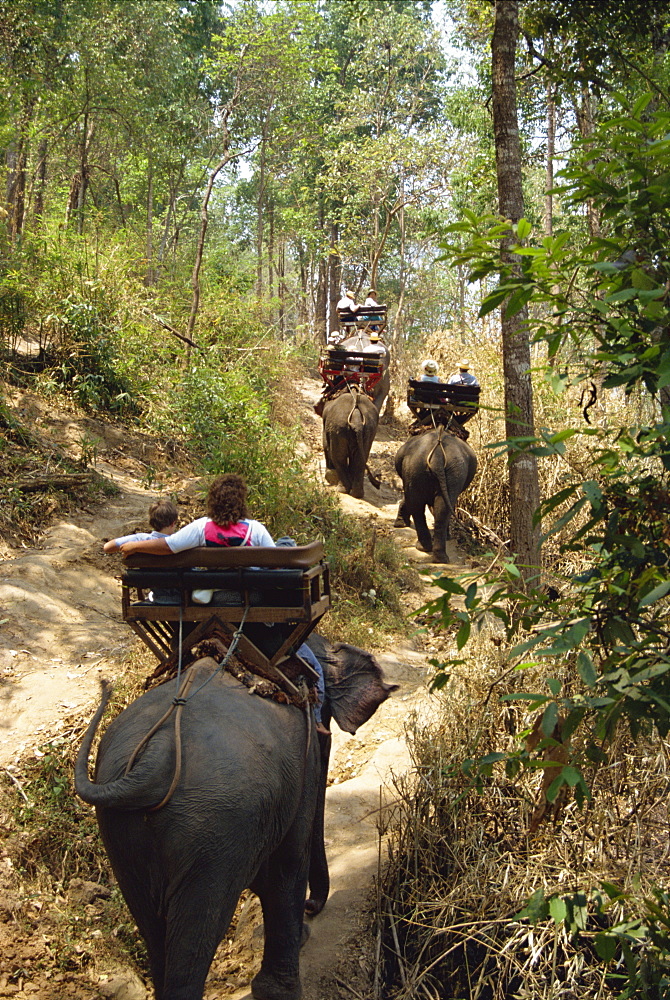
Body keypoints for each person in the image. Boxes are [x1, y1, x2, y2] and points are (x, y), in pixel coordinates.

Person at [119, 474, 329, 733]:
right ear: (241, 502)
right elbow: (277, 565)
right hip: (248, 606)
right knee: (315, 668)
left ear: (212, 502)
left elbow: (169, 546)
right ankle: (318, 721)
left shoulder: (200, 528)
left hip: (210, 605)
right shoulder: (256, 530)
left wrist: (133, 546)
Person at [103, 499, 179, 553]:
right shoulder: (180, 542)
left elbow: (107, 547)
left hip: (143, 575)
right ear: (173, 523)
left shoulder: (139, 539)